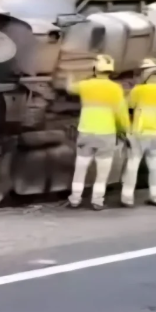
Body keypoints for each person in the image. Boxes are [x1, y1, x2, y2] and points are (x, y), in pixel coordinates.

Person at [66, 55, 130, 210]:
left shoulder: (86, 85)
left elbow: (69, 87)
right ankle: (97, 201)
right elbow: (121, 114)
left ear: (95, 68)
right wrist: (125, 131)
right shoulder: (116, 89)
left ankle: (75, 199)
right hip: (106, 134)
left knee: (80, 167)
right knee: (103, 171)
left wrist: (70, 75)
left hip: (86, 132)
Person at [120, 58, 156, 208]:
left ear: (145, 73)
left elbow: (127, 108)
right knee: (155, 164)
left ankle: (127, 197)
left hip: (139, 133)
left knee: (133, 163)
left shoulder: (138, 90)